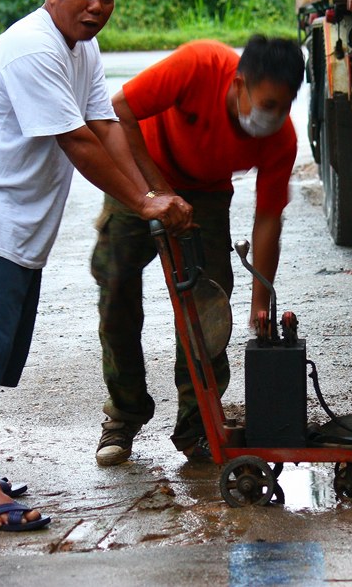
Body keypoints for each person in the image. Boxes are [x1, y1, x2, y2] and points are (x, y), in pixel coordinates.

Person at [0, 0, 192, 531]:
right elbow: (78, 142)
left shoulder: (82, 49)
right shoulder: (31, 49)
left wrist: (149, 192)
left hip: (14, 230)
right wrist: (143, 200)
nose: (97, 7)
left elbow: (105, 126)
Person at [91, 35, 305, 466]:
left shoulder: (280, 139)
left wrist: (260, 302)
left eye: (284, 107)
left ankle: (198, 426)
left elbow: (267, 220)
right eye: (267, 104)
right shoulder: (198, 64)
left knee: (206, 308)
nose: (274, 116)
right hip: (138, 176)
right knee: (115, 289)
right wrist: (157, 193)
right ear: (239, 82)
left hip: (205, 196)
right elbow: (119, 112)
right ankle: (124, 414)